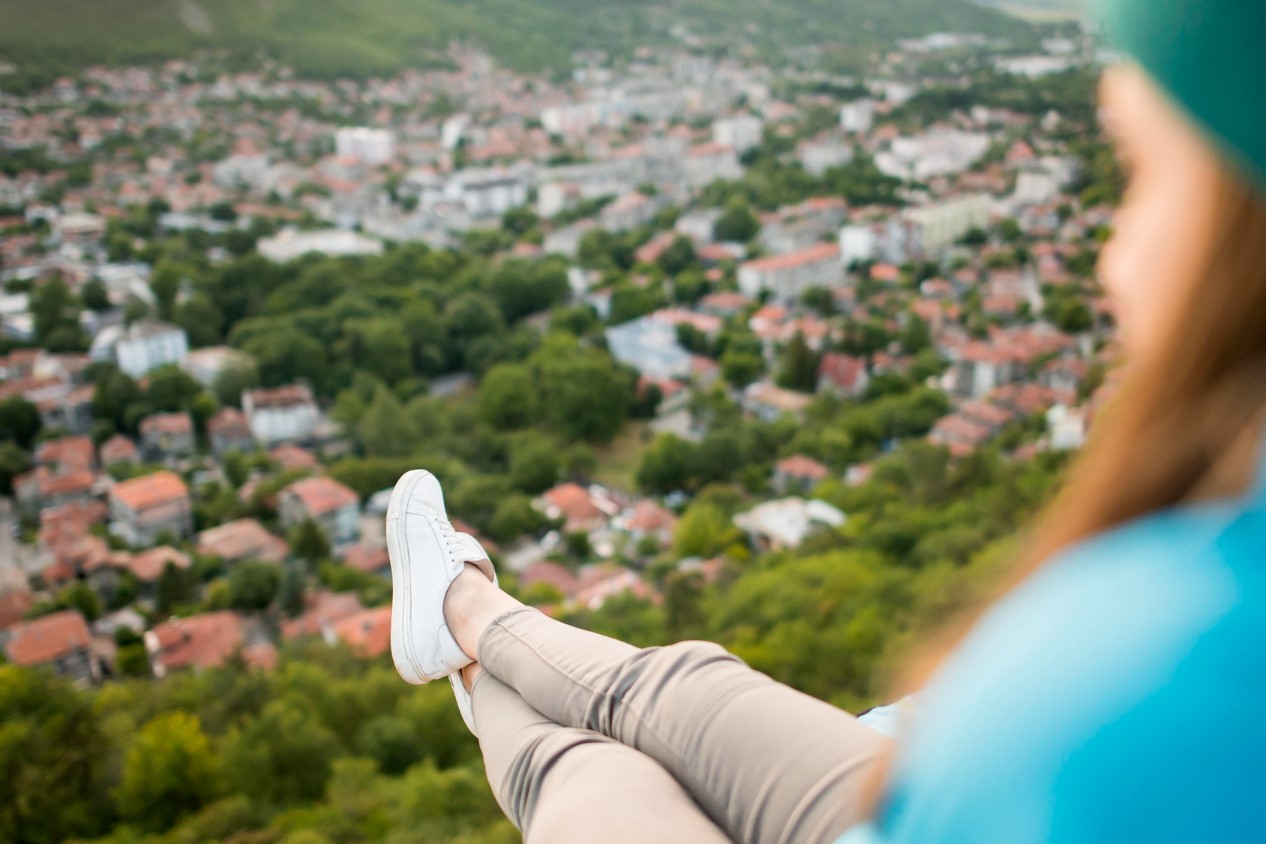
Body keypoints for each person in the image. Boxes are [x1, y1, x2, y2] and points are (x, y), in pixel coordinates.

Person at [386, 0, 1266, 840]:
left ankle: (464, 648)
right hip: (929, 766)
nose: (1111, 255)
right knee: (678, 684)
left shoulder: (1159, 679)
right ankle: (464, 604)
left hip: (942, 778)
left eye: (1138, 168)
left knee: (588, 771)